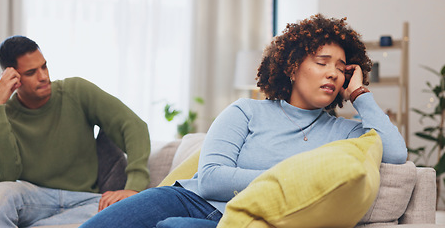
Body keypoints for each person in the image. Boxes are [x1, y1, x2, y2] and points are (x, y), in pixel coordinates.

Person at [80, 14, 407, 228]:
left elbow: (395, 153)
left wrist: (360, 94)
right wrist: (288, 179)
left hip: (245, 218)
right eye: (323, 62)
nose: (334, 73)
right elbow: (209, 179)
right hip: (188, 198)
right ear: (292, 68)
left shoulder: (345, 131)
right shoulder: (246, 111)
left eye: (342, 68)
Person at [0, 36, 151, 227]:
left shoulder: (76, 91)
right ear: (12, 77)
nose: (43, 76)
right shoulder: (3, 116)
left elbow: (133, 126)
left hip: (85, 201)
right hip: (34, 201)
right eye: (32, 72)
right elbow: (6, 177)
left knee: (113, 215)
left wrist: (133, 188)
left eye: (44, 66)